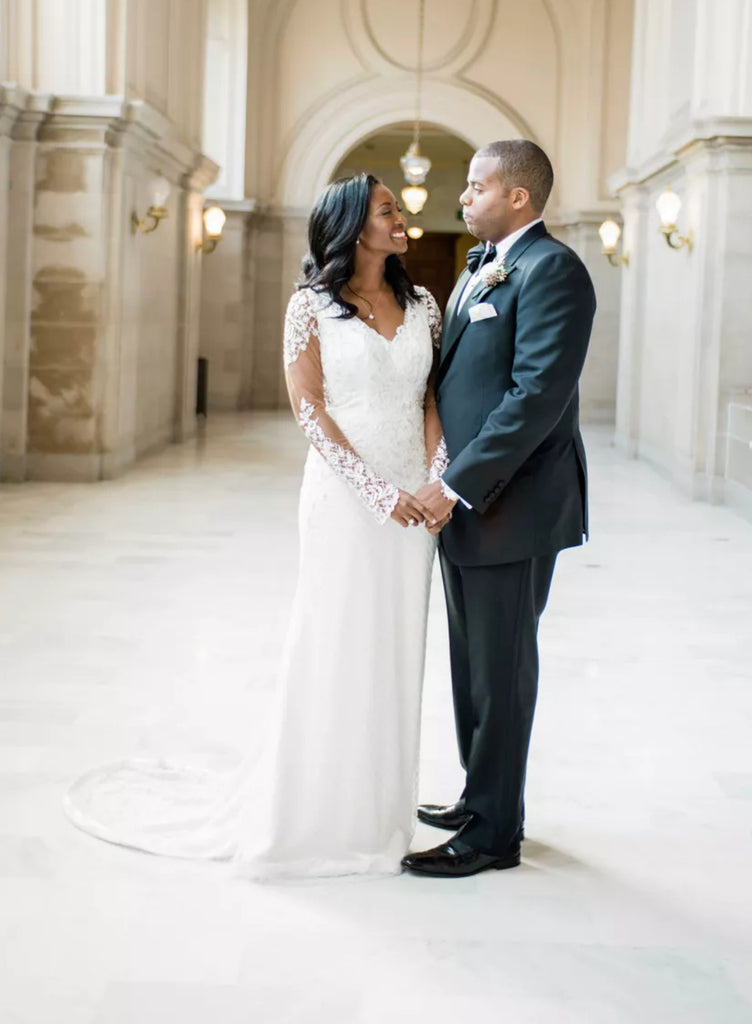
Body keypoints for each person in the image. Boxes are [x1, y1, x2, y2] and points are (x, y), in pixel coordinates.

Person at [64, 173, 446, 880]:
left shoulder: (425, 303)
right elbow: (310, 413)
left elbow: (430, 400)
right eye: (389, 210)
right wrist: (375, 490)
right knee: (335, 640)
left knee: (397, 646)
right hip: (345, 496)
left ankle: (382, 809)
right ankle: (316, 811)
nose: (402, 219)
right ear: (354, 228)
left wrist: (434, 478)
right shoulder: (310, 307)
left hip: (414, 510)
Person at [401, 139, 596, 878]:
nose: (464, 198)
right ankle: (480, 795)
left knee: (502, 667)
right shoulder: (479, 268)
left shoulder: (553, 271)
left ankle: (492, 836)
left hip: (510, 504)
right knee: (472, 662)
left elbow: (536, 398)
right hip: (470, 502)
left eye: (477, 187)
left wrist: (456, 483)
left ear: (518, 196)